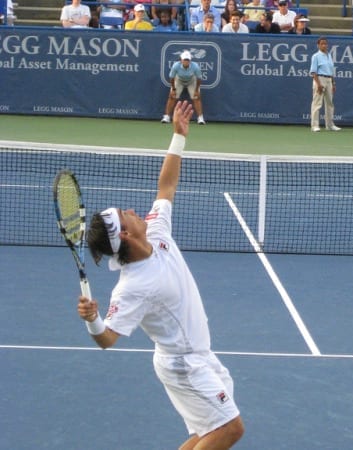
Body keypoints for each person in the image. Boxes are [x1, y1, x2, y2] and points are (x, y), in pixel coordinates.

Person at [79, 100, 244, 450]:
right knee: (230, 429)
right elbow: (107, 339)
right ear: (124, 235)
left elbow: (165, 188)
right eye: (126, 215)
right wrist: (93, 320)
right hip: (182, 365)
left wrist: (179, 138)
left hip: (201, 355)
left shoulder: (155, 230)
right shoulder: (133, 286)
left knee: (206, 433)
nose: (133, 211)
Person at [161, 51, 206, 125]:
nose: (186, 61)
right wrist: (174, 89)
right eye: (184, 60)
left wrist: (197, 90)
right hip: (179, 80)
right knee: (172, 96)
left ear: (190, 61)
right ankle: (167, 117)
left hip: (192, 81)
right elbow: (172, 78)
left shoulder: (195, 66)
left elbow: (199, 78)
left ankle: (200, 118)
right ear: (181, 60)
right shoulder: (176, 66)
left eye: (187, 60)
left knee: (196, 97)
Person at [309, 37, 341, 133]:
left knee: (330, 103)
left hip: (329, 80)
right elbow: (313, 72)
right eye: (322, 44)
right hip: (319, 79)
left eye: (325, 44)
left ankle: (330, 125)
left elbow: (331, 71)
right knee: (317, 103)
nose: (324, 45)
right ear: (318, 45)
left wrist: (333, 83)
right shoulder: (315, 56)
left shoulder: (329, 55)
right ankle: (314, 125)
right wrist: (318, 84)